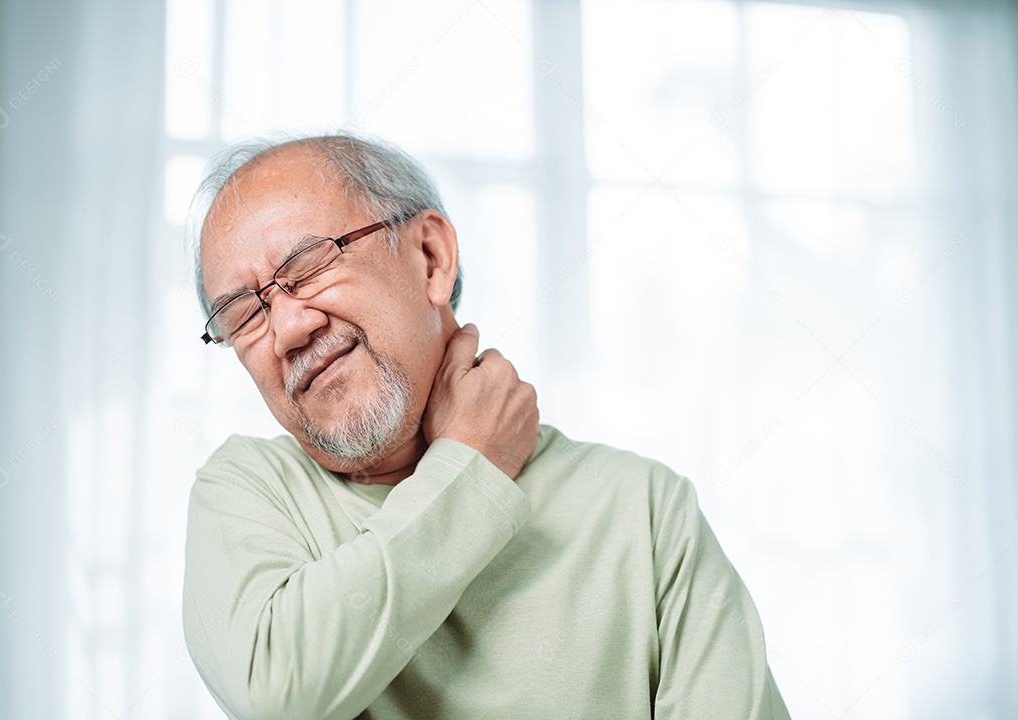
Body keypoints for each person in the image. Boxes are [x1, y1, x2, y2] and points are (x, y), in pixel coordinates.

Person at [182, 133, 791, 720]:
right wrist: (469, 462)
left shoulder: (644, 508)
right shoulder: (247, 492)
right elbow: (279, 697)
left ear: (430, 258)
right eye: (243, 314)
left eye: (309, 265)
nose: (288, 329)